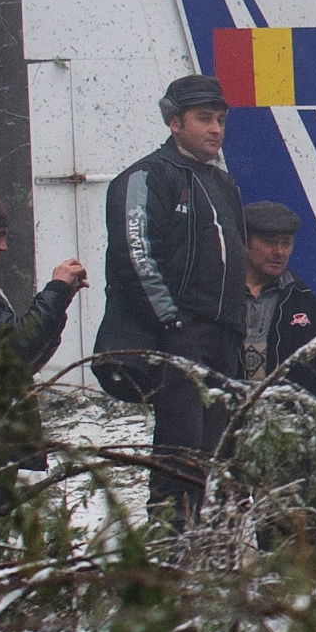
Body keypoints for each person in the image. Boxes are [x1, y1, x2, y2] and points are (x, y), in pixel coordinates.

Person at [93, 73, 252, 512]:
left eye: (220, 119)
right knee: (180, 457)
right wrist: (172, 323)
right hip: (180, 338)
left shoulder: (224, 184)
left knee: (222, 463)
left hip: (224, 340)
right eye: (204, 119)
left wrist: (237, 328)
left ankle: (216, 561)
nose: (215, 129)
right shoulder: (147, 176)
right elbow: (134, 254)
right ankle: (169, 560)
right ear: (174, 122)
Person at [242, 201, 316, 406]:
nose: (279, 252)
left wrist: (303, 425)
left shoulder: (309, 308)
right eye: (269, 242)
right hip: (224, 432)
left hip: (285, 433)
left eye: (286, 244)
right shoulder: (216, 299)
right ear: (245, 242)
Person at [0, 186, 88, 371]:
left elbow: (28, 362)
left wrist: (59, 300)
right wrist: (55, 292)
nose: (3, 247)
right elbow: (17, 349)